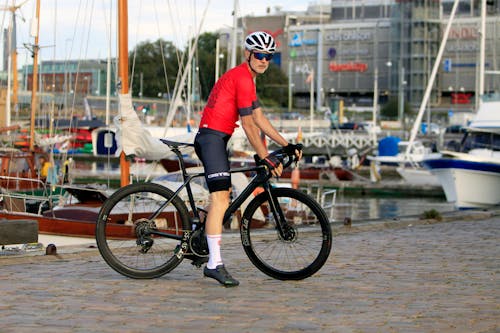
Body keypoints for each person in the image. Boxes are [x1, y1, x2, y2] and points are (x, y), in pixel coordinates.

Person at [194, 31, 302, 287]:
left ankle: (201, 229)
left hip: (218, 139)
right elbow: (248, 124)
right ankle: (214, 264)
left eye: (269, 57)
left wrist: (287, 145)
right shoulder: (242, 77)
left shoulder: (248, 80)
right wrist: (265, 157)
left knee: (223, 196)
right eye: (260, 55)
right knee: (220, 199)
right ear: (248, 54)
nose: (264, 60)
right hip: (211, 138)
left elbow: (259, 118)